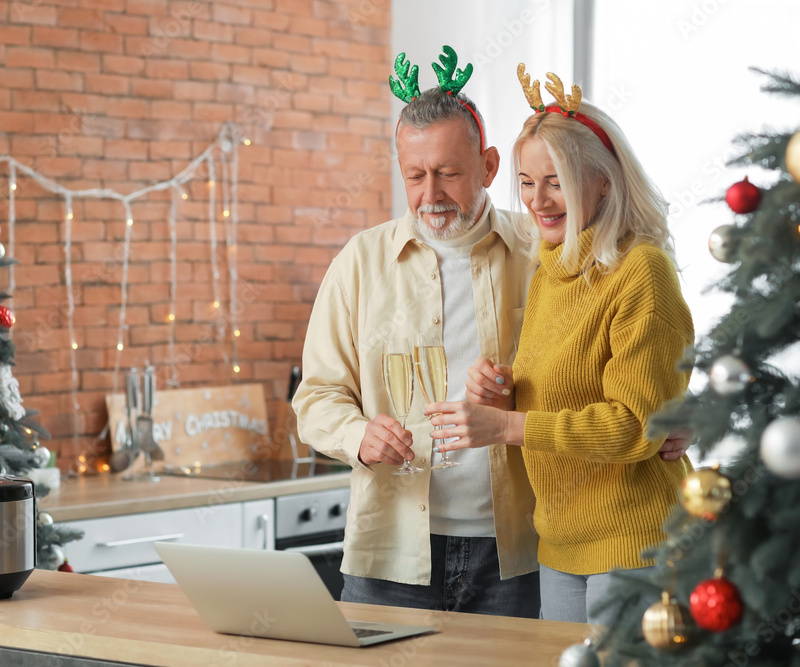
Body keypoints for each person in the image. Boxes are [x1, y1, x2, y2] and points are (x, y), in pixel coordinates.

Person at [292, 48, 685, 617]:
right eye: (415, 175)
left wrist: (680, 412)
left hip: (521, 549)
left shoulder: (548, 246)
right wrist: (356, 435)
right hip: (393, 551)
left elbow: (645, 342)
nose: (430, 194)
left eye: (448, 173)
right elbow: (317, 397)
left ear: (490, 166)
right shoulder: (359, 263)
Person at [425, 65, 695, 624]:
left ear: (603, 181)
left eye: (557, 181)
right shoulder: (551, 270)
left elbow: (635, 425)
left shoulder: (641, 270)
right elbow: (563, 399)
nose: (538, 200)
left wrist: (505, 427)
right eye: (526, 181)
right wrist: (503, 393)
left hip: (637, 543)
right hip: (561, 543)